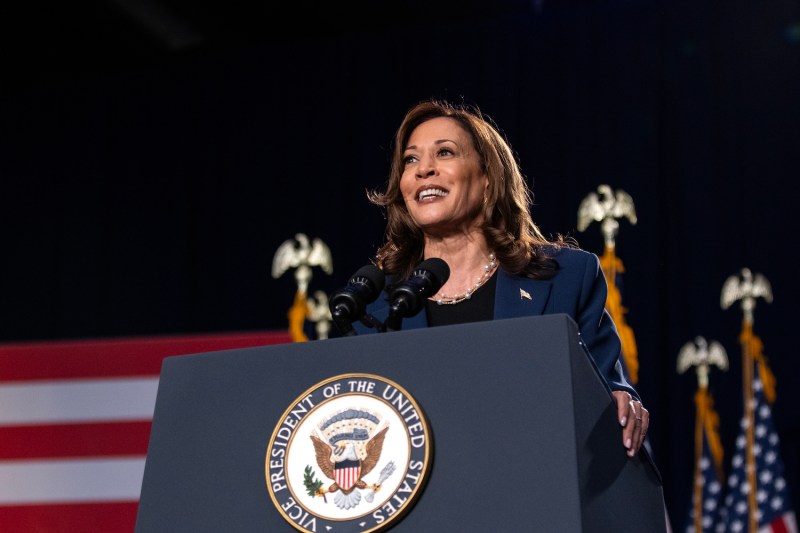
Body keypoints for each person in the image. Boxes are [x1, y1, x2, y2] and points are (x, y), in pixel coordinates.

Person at [353, 98, 649, 458]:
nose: (423, 170)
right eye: (411, 159)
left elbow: (604, 387)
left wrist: (623, 402)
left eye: (444, 153)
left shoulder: (566, 278)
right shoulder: (375, 304)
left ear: (488, 179)